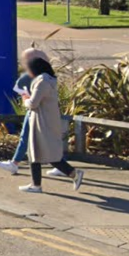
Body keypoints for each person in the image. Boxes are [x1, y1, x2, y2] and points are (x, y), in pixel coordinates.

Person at [0, 48, 66, 177]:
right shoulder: (48, 77)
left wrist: (26, 100)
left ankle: (17, 165)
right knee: (39, 139)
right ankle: (61, 167)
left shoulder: (37, 78)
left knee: (31, 139)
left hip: (36, 112)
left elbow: (28, 97)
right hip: (41, 112)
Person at [20, 57, 84, 193]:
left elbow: (33, 103)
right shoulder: (48, 80)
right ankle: (37, 184)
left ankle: (72, 173)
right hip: (45, 121)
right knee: (38, 152)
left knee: (40, 152)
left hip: (41, 122)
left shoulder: (42, 81)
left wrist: (25, 98)